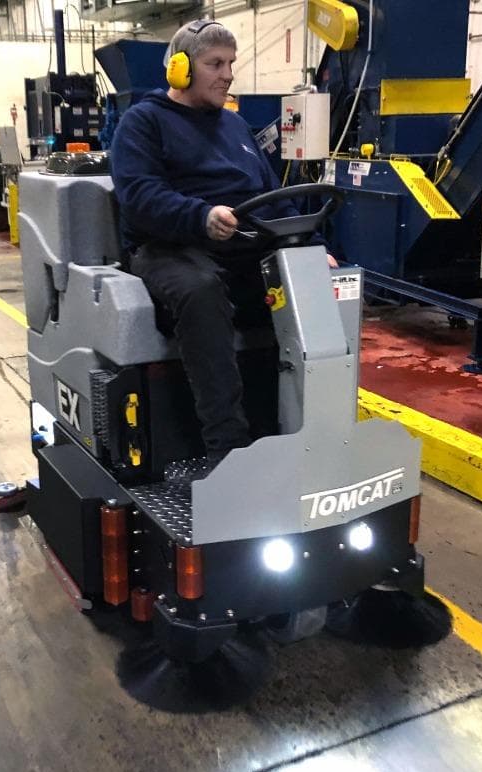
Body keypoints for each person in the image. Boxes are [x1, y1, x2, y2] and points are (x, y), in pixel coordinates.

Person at [110, 19, 336, 470]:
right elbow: (139, 198)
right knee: (200, 289)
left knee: (315, 284)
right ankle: (226, 450)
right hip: (169, 246)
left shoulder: (235, 128)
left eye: (231, 63)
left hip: (241, 244)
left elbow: (272, 199)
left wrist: (313, 250)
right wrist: (200, 216)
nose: (228, 73)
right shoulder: (144, 123)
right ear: (179, 69)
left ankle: (307, 432)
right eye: (215, 63)